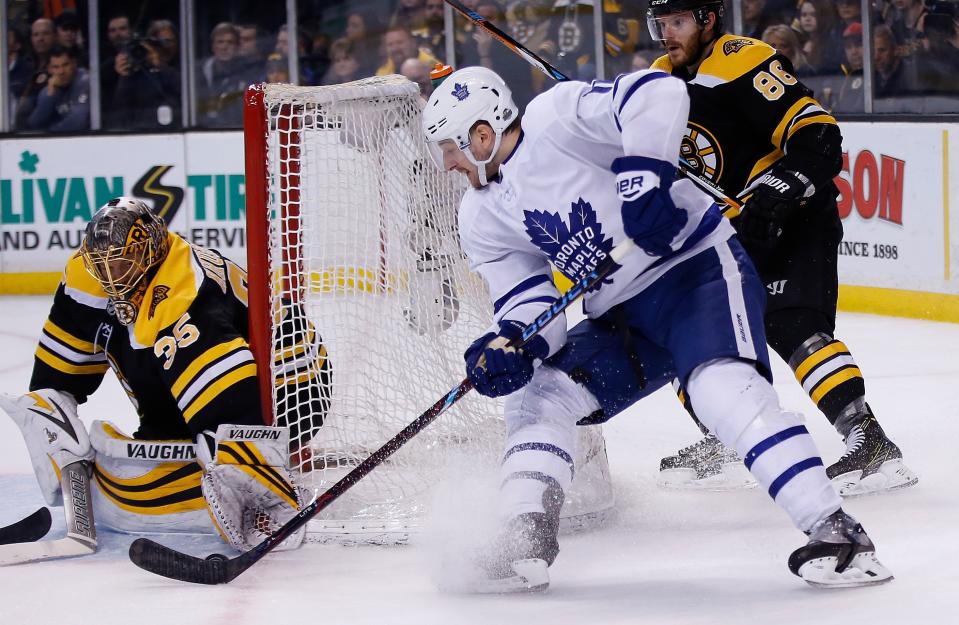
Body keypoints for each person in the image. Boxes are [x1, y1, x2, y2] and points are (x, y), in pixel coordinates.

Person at [422, 65, 892, 592]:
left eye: (450, 147)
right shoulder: (480, 214)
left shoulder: (555, 117)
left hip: (696, 273)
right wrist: (514, 343)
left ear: (481, 135)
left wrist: (643, 179)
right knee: (540, 394)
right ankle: (524, 538)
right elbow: (535, 310)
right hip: (623, 317)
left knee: (719, 390)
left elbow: (657, 91)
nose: (447, 163)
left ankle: (838, 536)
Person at [645, 0, 916, 495]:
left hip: (794, 219)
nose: (667, 34)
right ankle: (725, 437)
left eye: (678, 22)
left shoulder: (743, 59)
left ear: (708, 20)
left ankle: (870, 440)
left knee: (794, 326)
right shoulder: (658, 78)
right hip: (731, 235)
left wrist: (782, 184)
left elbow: (818, 135)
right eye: (661, 24)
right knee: (684, 333)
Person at [0, 197, 330, 550]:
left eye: (124, 263)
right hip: (205, 379)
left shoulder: (182, 288)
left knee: (205, 457)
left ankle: (267, 487)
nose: (113, 277)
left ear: (151, 250)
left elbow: (229, 405)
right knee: (56, 405)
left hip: (295, 387)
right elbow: (56, 377)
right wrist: (55, 430)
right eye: (103, 266)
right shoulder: (86, 275)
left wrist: (234, 457)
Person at [27, 45, 89, 132]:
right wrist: (51, 95)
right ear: (49, 69)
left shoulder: (85, 81)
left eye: (65, 65)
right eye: (56, 67)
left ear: (74, 64)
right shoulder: (49, 89)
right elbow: (35, 123)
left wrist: (50, 133)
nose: (61, 72)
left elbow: (79, 120)